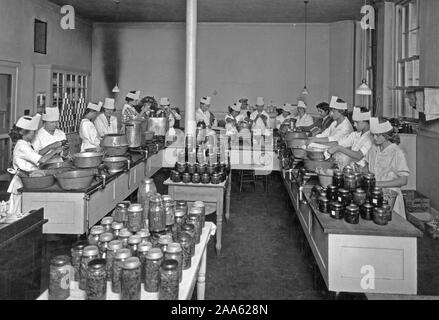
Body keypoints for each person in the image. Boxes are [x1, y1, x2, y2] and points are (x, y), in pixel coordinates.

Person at [7, 114, 61, 214]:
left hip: (29, 179)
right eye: (33, 132)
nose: (35, 134)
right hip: (23, 180)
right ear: (25, 132)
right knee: (19, 211)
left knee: (25, 209)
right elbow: (42, 160)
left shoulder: (26, 143)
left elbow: (37, 154)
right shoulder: (22, 146)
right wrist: (56, 150)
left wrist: (50, 147)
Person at [366, 117, 410, 219]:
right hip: (376, 195)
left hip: (391, 199)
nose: (375, 138)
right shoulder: (373, 148)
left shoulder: (396, 152)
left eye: (378, 135)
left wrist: (379, 184)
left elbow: (403, 180)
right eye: (373, 135)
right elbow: (369, 168)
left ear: (386, 135)